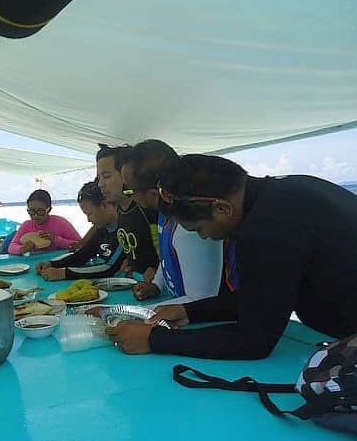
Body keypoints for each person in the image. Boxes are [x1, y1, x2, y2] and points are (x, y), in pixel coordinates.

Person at [107, 154, 357, 359]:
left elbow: (254, 341)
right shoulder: (286, 194)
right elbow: (261, 295)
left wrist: (154, 339)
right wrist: (190, 311)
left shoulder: (267, 226)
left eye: (200, 229)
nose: (205, 238)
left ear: (222, 209)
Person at [119, 140, 224, 303]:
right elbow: (169, 256)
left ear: (154, 195)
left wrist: (132, 314)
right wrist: (157, 284)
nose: (129, 196)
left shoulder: (190, 227)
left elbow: (200, 300)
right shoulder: (166, 211)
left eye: (129, 190)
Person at [36, 181, 122, 280]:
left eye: (89, 213)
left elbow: (110, 269)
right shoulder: (103, 228)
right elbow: (83, 255)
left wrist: (64, 273)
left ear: (104, 206)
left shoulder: (124, 229)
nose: (88, 220)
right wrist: (52, 264)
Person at [96, 144, 158, 278]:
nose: (100, 184)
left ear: (126, 174)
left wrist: (159, 272)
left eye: (106, 176)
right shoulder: (119, 210)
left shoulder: (147, 207)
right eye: (99, 178)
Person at [8, 189, 81, 255]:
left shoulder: (60, 223)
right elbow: (11, 247)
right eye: (31, 211)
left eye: (40, 211)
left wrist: (56, 239)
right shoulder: (26, 225)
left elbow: (80, 245)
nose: (35, 216)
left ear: (49, 210)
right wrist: (22, 249)